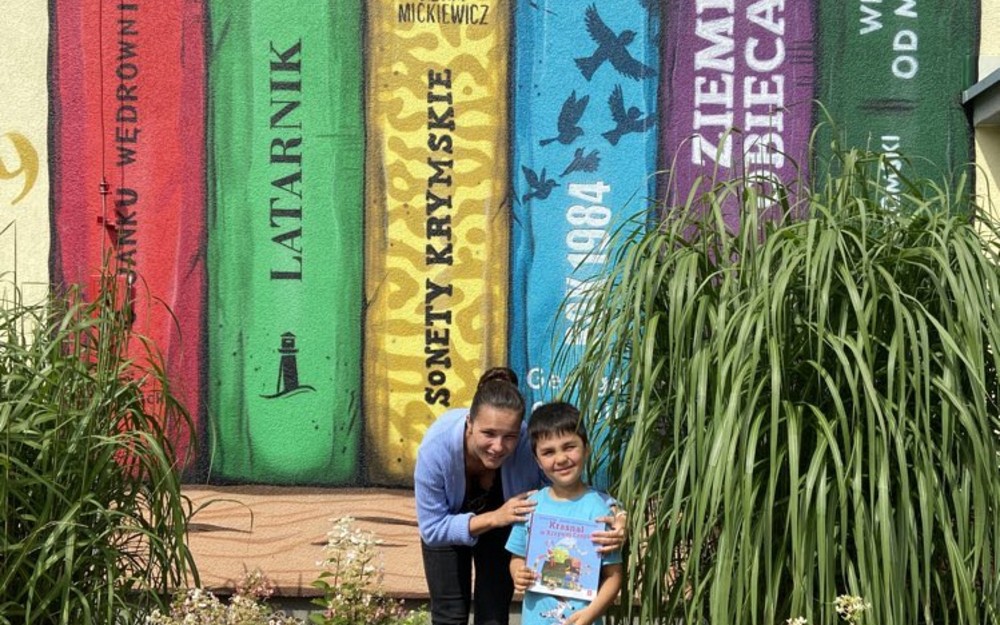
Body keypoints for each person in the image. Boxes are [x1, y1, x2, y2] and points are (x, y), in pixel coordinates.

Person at [414, 368, 625, 625]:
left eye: (510, 436)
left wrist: (615, 512)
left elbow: (567, 486)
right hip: (451, 526)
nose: (498, 446)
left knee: (493, 614)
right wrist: (494, 517)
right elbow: (432, 528)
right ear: (470, 422)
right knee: (449, 615)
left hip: (505, 523)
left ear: (520, 432)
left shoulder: (529, 443)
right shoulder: (435, 449)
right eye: (488, 433)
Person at [506, 402, 623, 625]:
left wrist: (589, 616)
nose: (560, 459)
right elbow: (517, 557)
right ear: (538, 461)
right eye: (548, 452)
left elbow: (613, 577)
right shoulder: (530, 506)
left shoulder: (600, 511)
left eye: (569, 446)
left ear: (586, 448)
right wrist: (518, 573)